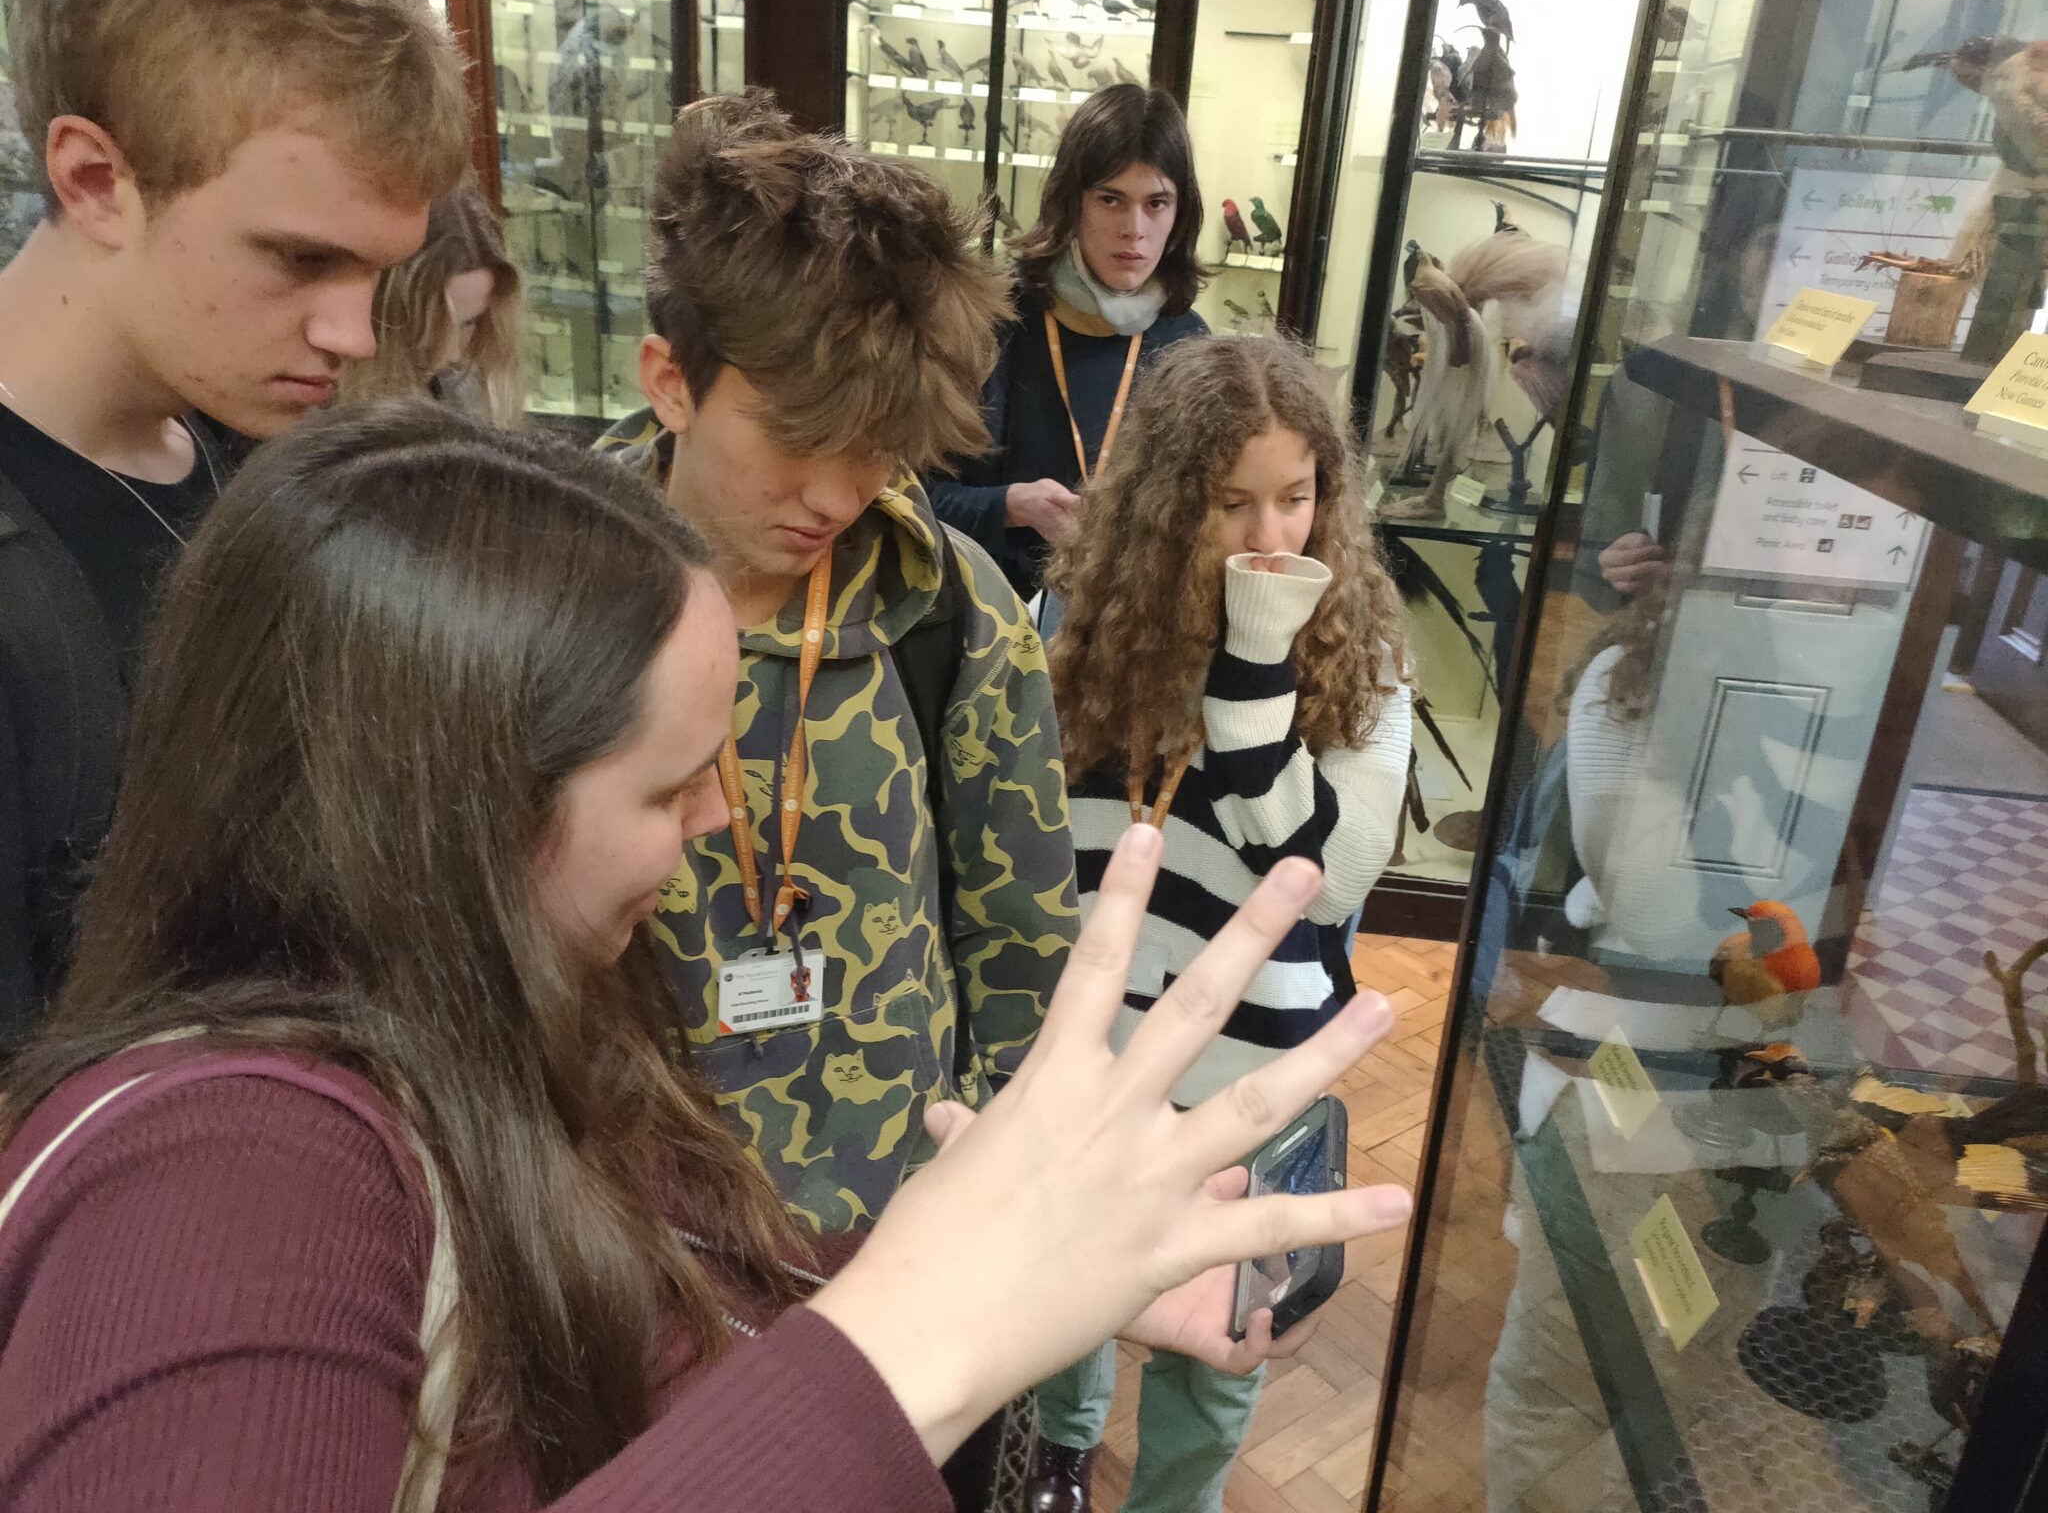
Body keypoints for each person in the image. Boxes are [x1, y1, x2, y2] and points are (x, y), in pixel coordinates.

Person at [0, 402, 1416, 1512]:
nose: (717, 820)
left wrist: (1027, 1251)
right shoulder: (219, 1185)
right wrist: (928, 1332)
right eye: (670, 784)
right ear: (459, 804)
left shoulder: (494, 1036)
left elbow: (673, 1310)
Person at [598, 93, 1078, 1236]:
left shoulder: (950, 607)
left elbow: (1022, 937)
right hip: (628, 1239)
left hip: (900, 1234)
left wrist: (999, 1196)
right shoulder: (536, 598)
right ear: (670, 380)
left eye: (874, 446)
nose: (834, 494)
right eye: (796, 436)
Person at [0, 0, 468, 1041]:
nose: (353, 334)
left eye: (377, 273)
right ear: (95, 180)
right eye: (300, 259)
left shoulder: (258, 459)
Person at [1034, 335, 1415, 1513]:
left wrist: (1256, 659)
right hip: (1099, 1042)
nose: (1267, 535)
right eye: (1228, 502)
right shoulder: (1080, 621)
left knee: (1218, 1337)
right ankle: (1060, 1449)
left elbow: (1332, 877)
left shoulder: (1359, 652)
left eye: (1294, 497)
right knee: (1071, 1289)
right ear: (1164, 501)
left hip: (1248, 1064)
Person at [923, 84, 1210, 605]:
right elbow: (905, 498)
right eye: (1110, 200)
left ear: (1180, 212)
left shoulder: (1191, 344)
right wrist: (1009, 506)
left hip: (1128, 627)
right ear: (1070, 203)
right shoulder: (990, 320)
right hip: (986, 621)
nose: (1134, 230)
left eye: (1156, 203)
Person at [341, 178, 528, 425]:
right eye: (433, 321)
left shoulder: (464, 393)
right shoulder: (314, 408)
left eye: (469, 322)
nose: (452, 354)